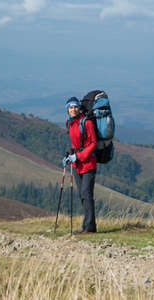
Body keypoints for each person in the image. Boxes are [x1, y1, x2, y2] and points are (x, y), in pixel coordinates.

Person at [63, 97, 98, 234]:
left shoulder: (87, 122)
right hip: (77, 165)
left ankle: (90, 227)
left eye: (75, 107)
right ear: (67, 110)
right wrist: (69, 157)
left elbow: (93, 143)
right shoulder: (70, 123)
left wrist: (78, 156)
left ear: (79, 108)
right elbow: (75, 144)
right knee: (82, 195)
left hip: (89, 163)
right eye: (71, 108)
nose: (73, 109)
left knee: (86, 193)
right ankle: (87, 225)